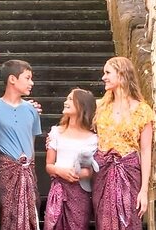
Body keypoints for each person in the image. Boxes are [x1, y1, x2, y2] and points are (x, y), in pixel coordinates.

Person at [92, 56, 153, 230]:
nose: (103, 77)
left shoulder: (142, 110)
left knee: (129, 221)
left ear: (122, 75)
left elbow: (146, 150)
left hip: (129, 173)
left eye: (107, 73)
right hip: (102, 172)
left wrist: (144, 190)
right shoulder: (99, 107)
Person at [0, 59, 42, 230]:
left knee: (32, 213)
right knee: (7, 215)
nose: (31, 82)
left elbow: (32, 144)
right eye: (27, 78)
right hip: (7, 170)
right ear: (12, 79)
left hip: (28, 171)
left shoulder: (32, 110)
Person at [44, 88, 98, 230]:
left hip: (80, 192)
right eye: (66, 98)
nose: (65, 102)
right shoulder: (56, 132)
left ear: (82, 105)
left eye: (70, 99)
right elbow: (49, 165)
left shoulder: (93, 138)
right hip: (58, 189)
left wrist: (76, 174)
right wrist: (60, 171)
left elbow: (91, 170)